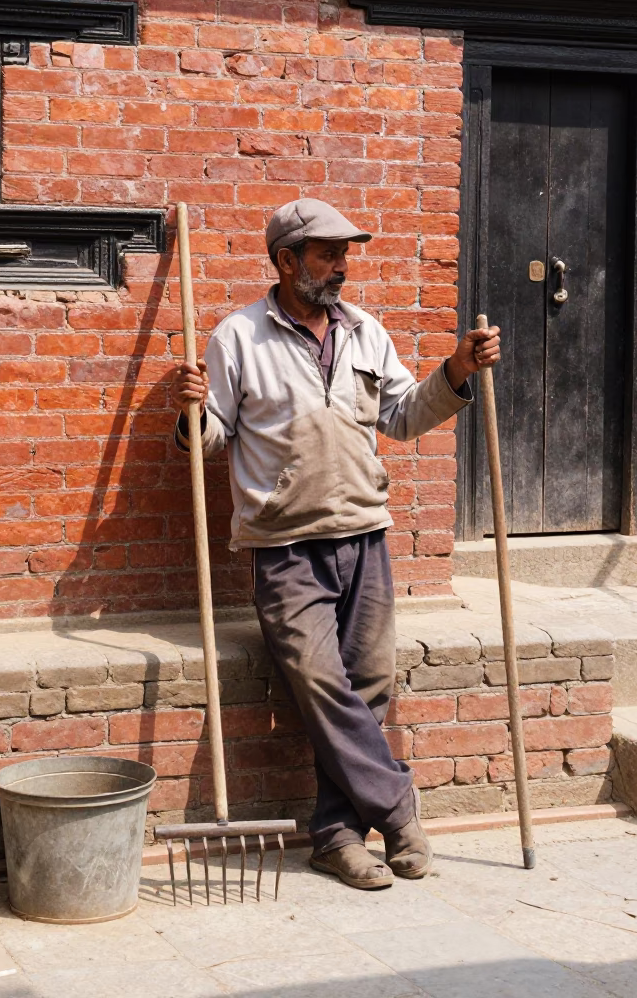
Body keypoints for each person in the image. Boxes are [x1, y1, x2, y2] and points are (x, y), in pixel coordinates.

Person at [171, 198, 500, 891]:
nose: (342, 266)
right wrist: (191, 413)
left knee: (369, 685)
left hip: (365, 533)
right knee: (321, 684)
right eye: (327, 254)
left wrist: (457, 370)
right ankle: (399, 810)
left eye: (344, 253)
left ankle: (337, 836)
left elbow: (402, 416)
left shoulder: (364, 332)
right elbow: (214, 436)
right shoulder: (237, 338)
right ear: (287, 260)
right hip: (286, 544)